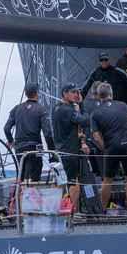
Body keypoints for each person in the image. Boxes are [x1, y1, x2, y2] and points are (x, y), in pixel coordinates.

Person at [91, 83, 127, 212]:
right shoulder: (123, 105)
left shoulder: (95, 113)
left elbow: (96, 136)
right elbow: (126, 121)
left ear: (98, 96)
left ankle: (102, 210)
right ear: (111, 94)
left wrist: (105, 148)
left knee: (107, 180)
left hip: (112, 147)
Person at [3, 83, 54, 182]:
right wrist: (52, 152)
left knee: (22, 176)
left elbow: (6, 128)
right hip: (35, 148)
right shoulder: (41, 109)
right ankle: (31, 194)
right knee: (35, 178)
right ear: (37, 93)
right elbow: (47, 133)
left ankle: (21, 195)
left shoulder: (16, 108)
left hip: (19, 148)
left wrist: (11, 141)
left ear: (25, 93)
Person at [53, 83, 90, 212]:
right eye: (73, 92)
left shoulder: (57, 108)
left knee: (63, 182)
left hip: (60, 150)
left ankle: (62, 209)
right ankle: (73, 212)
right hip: (70, 152)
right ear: (65, 94)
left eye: (77, 92)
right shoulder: (67, 110)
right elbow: (85, 121)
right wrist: (81, 106)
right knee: (73, 183)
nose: (76, 95)